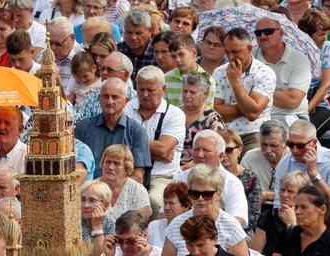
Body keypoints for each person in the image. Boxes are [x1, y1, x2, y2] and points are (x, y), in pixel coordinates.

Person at [125, 65, 186, 214]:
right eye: (141, 89)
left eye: (150, 90)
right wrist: (155, 150)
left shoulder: (174, 114)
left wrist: (132, 144)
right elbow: (118, 144)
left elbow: (164, 150)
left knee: (154, 201)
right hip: (129, 172)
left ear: (163, 89)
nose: (145, 94)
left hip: (162, 176)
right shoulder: (127, 109)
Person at [75, 78, 150, 181]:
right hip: (88, 191)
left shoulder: (137, 132)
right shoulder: (83, 128)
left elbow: (137, 176)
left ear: (126, 101)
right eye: (106, 96)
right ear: (99, 98)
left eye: (115, 97)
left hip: (121, 192)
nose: (110, 101)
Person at [214, 28, 276, 151]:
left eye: (236, 52)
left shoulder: (265, 73)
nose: (231, 57)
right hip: (223, 133)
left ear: (249, 48)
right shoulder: (219, 71)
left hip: (253, 133)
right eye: (227, 52)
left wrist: (236, 82)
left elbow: (252, 114)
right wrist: (246, 106)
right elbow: (215, 111)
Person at [172, 129, 249, 227]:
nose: (200, 154)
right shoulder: (180, 179)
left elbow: (237, 220)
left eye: (206, 150)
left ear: (221, 156)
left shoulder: (232, 183)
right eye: (196, 149)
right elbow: (166, 214)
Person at [273, 119, 330, 209]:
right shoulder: (284, 162)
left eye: (301, 146)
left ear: (314, 142)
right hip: (293, 216)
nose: (295, 150)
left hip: (325, 218)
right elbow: (277, 203)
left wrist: (314, 174)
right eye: (291, 144)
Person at [253, 18, 311, 122]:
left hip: (293, 119)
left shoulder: (299, 60)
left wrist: (253, 87)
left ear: (281, 33)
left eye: (268, 31)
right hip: (257, 118)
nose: (262, 36)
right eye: (258, 33)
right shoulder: (249, 57)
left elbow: (292, 101)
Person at [299, 9, 330, 141]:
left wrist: (306, 111)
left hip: (320, 104)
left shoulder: (328, 48)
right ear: (307, 35)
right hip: (296, 101)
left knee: (300, 136)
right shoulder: (295, 48)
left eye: (326, 34)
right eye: (321, 34)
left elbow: (326, 85)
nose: (325, 38)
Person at [252, 171, 309, 256]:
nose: (284, 195)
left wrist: (292, 224)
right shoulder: (268, 216)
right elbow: (255, 252)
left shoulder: (308, 219)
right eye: (282, 190)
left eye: (290, 191)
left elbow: (306, 253)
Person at [220, 129, 263, 238]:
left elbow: (253, 216)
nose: (224, 154)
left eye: (228, 150)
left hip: (242, 231)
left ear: (240, 149)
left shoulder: (250, 178)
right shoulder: (208, 176)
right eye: (220, 150)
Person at [240, 119, 289, 209]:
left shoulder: (293, 159)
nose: (268, 150)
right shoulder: (250, 156)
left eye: (273, 145)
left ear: (285, 144)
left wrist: (269, 195)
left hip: (287, 207)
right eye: (264, 144)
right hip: (256, 207)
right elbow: (241, 190)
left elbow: (300, 195)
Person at [181, 73, 225, 169]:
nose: (187, 95)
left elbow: (211, 153)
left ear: (205, 94)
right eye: (184, 91)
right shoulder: (173, 113)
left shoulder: (213, 120)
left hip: (201, 168)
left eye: (192, 92)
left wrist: (183, 169)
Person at [166, 35, 216, 109]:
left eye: (181, 54)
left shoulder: (209, 81)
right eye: (173, 56)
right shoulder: (166, 78)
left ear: (194, 52)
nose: (178, 60)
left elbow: (207, 111)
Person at [38, 17, 81, 91]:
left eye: (58, 44)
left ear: (72, 38)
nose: (53, 48)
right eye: (50, 43)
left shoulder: (82, 60)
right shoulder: (43, 56)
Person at [147, 182, 191, 248]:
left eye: (171, 203)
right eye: (165, 203)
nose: (166, 207)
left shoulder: (191, 230)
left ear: (185, 206)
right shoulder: (153, 226)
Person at [117, 9, 155, 85]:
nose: (133, 37)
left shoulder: (157, 52)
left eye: (138, 33)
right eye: (129, 32)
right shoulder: (118, 51)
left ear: (150, 31)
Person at [80, 180, 114, 248]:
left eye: (92, 200)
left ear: (105, 205)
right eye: (83, 199)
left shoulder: (111, 225)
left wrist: (97, 228)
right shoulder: (74, 224)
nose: (86, 205)